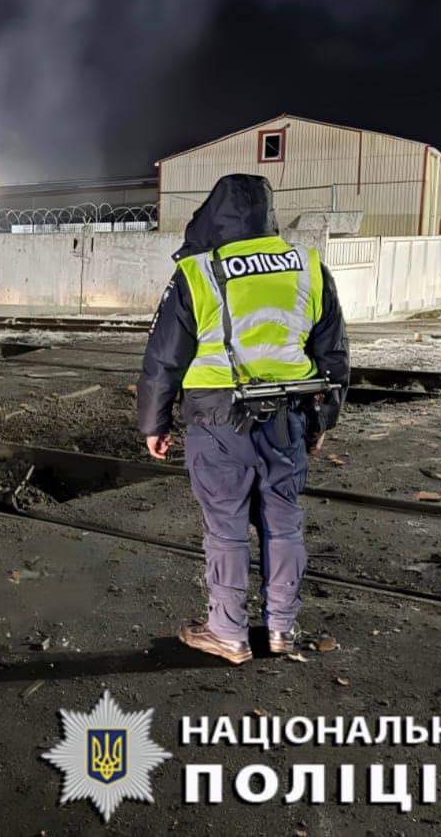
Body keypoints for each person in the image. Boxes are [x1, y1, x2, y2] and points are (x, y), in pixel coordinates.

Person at [136, 174, 349, 664]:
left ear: (215, 214)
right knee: (284, 522)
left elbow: (164, 358)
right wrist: (323, 422)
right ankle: (280, 632)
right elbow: (333, 353)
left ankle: (228, 634)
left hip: (218, 422)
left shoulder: (199, 271)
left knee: (226, 529)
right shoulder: (308, 267)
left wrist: (154, 425)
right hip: (288, 419)